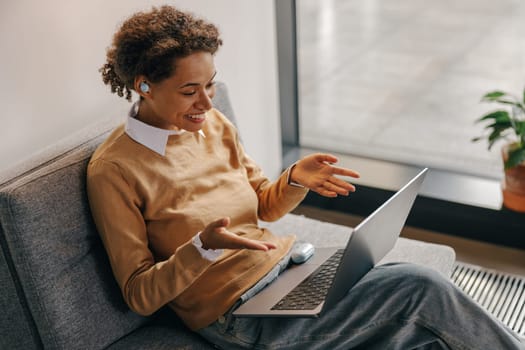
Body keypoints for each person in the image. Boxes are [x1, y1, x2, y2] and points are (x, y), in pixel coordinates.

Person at [87, 5, 524, 349]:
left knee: (422, 336)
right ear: (143, 86)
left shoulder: (213, 125)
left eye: (210, 84)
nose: (206, 101)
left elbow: (262, 203)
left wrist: (295, 177)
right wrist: (202, 249)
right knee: (419, 286)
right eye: (189, 91)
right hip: (238, 318)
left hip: (290, 275)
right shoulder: (115, 170)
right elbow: (139, 293)